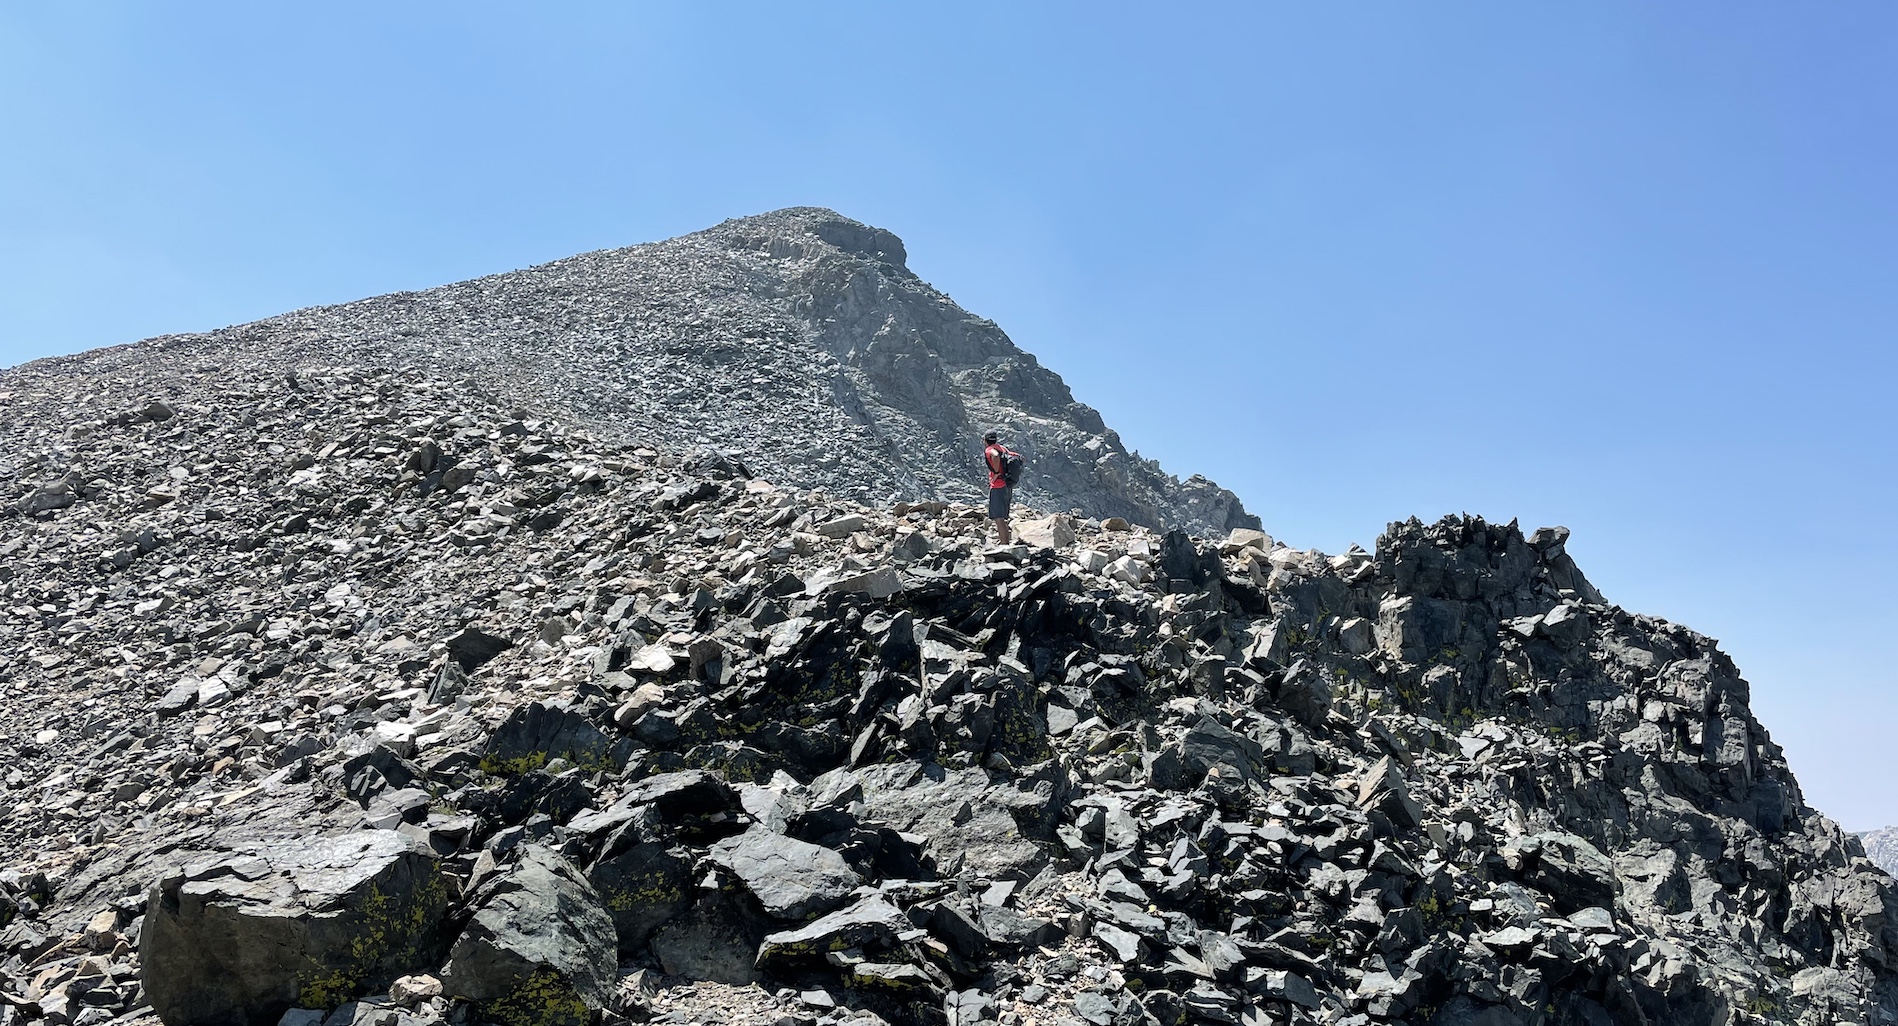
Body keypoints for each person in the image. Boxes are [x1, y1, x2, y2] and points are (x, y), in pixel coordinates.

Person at [983, 430, 1014, 545]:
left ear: (985, 441)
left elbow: (995, 456)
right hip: (1007, 485)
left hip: (998, 486)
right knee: (1002, 517)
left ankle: (1004, 544)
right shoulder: (1003, 448)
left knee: (998, 518)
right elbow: (1017, 457)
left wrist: (996, 472)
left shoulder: (990, 450)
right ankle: (1005, 542)